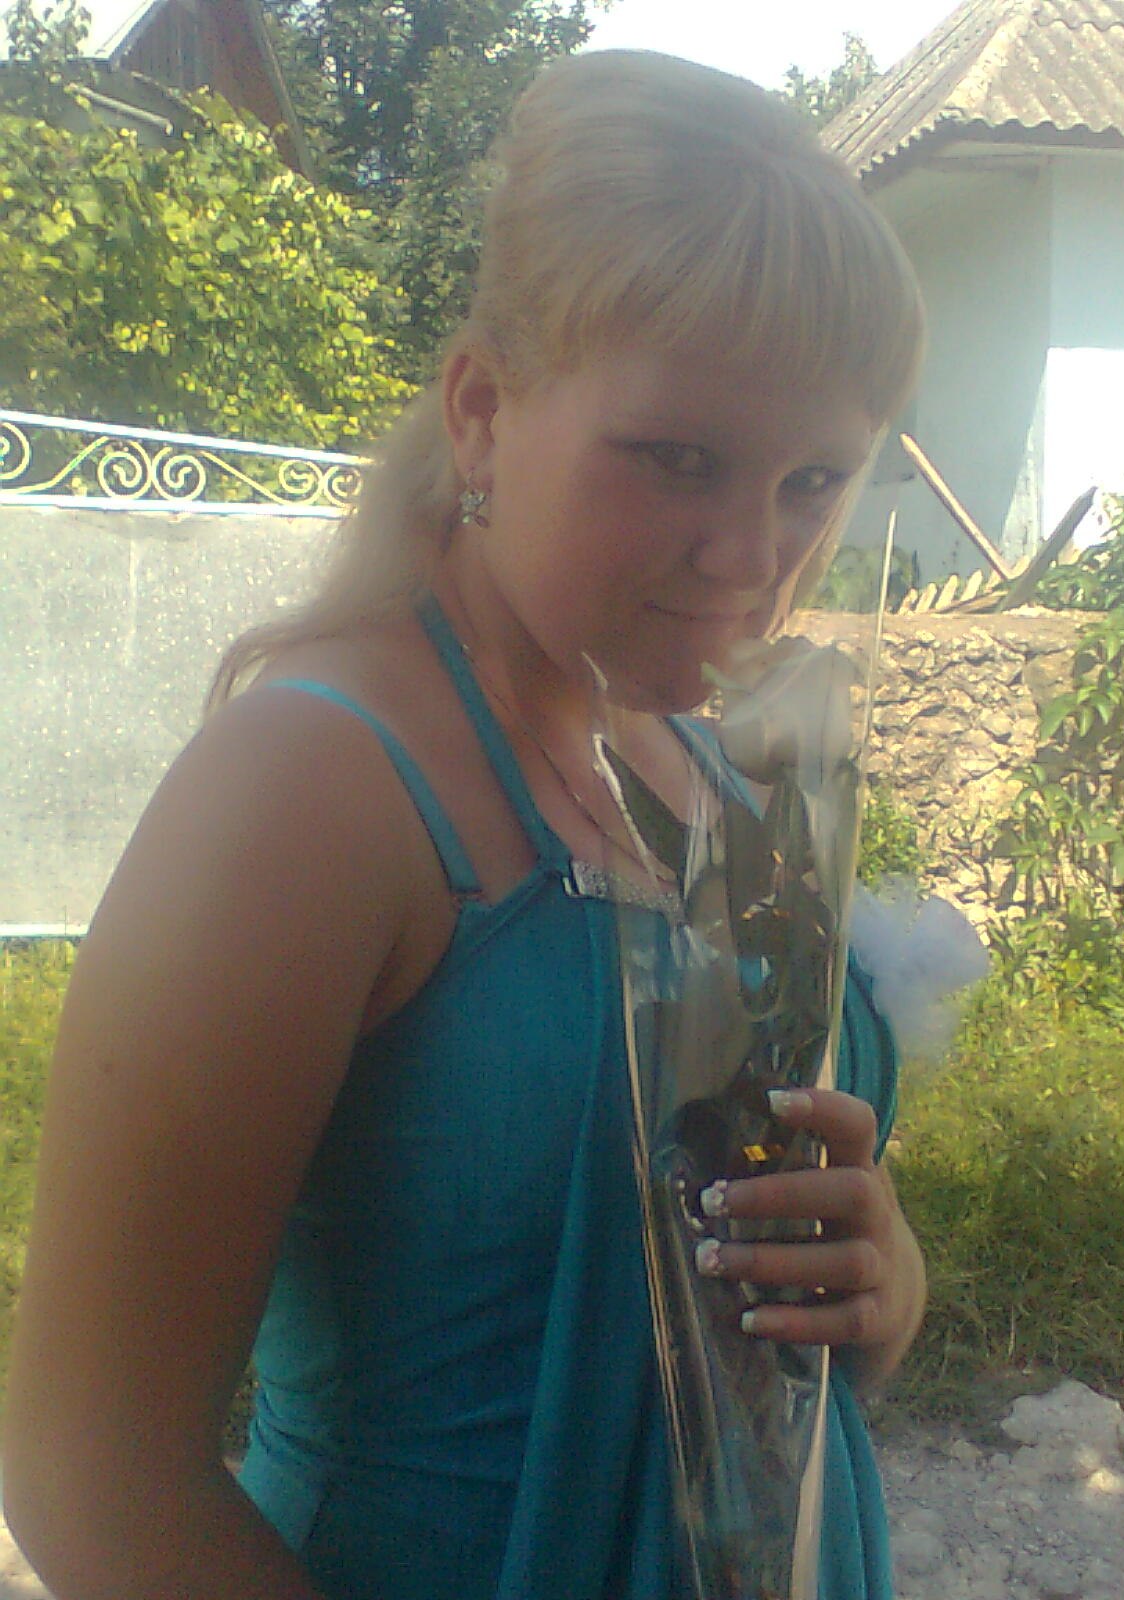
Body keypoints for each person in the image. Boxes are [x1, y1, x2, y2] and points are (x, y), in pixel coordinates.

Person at [3, 48, 927, 1600]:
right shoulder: (315, 787)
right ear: (485, 411)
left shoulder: (718, 768)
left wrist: (883, 1289)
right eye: (680, 459)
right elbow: (93, 1476)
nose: (753, 556)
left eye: (812, 478)